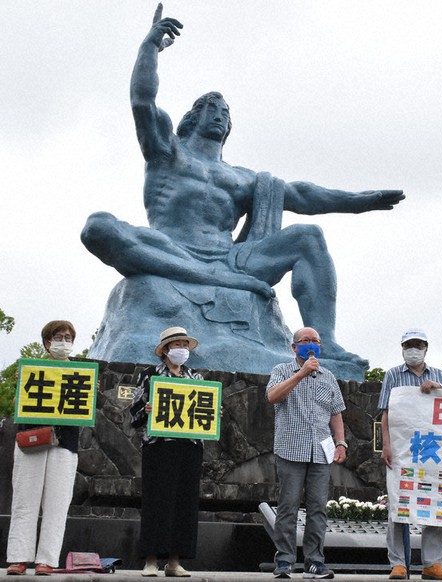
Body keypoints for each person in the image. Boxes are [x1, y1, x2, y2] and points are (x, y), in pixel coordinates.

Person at [80, 4, 404, 364]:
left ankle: (323, 341)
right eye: (212, 108)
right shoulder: (167, 151)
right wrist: (149, 48)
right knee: (97, 227)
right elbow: (143, 100)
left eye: (226, 112)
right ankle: (205, 275)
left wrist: (361, 200)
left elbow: (302, 195)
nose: (220, 114)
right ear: (192, 118)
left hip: (232, 260)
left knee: (309, 236)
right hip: (170, 247)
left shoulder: (242, 178)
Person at [266, 327, 347, 579]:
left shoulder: (328, 376)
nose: (311, 345)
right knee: (288, 506)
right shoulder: (281, 370)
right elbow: (272, 397)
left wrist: (341, 442)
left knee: (318, 508)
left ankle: (315, 561)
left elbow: (336, 412)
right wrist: (301, 374)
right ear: (294, 347)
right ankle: (285, 561)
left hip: (321, 450)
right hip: (290, 448)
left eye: (315, 341)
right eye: (305, 341)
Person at [378, 329, 442, 581]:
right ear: (402, 348)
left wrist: (439, 389)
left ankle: (432, 563)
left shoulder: (440, 375)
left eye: (418, 345)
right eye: (409, 345)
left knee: (434, 502)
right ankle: (398, 563)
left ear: (426, 348)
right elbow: (385, 413)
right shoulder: (392, 374)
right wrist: (386, 445)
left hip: (434, 450)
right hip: (402, 449)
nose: (413, 349)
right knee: (399, 503)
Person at [5, 321, 80, 576]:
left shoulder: (81, 374)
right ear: (47, 341)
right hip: (32, 439)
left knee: (57, 503)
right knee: (25, 500)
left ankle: (46, 559)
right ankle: (18, 557)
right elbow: (18, 406)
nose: (63, 341)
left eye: (68, 337)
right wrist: (20, 385)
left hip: (65, 443)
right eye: (58, 336)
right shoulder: (31, 369)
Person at [130, 326, 204, 577]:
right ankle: (151, 560)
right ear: (165, 350)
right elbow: (134, 412)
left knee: (185, 502)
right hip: (159, 446)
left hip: (189, 447)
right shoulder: (150, 376)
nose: (181, 349)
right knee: (156, 502)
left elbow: (205, 410)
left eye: (184, 344)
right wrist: (146, 411)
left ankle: (175, 561)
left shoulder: (196, 377)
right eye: (176, 345)